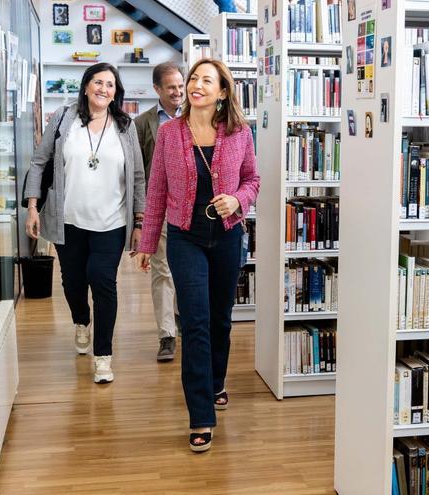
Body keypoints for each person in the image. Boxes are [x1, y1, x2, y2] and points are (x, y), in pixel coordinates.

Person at [136, 58, 259, 453]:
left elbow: (253, 180)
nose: (196, 85)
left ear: (222, 92)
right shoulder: (170, 133)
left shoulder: (240, 133)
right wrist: (147, 242)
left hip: (226, 235)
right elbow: (156, 190)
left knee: (220, 319)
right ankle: (200, 414)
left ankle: (216, 381)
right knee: (195, 322)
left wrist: (238, 199)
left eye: (207, 80)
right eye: (194, 78)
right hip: (185, 237)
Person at [24, 63, 146, 384]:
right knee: (73, 283)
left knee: (102, 280)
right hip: (69, 222)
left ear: (116, 91)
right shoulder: (64, 119)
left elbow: (136, 176)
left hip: (112, 222)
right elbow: (39, 162)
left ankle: (103, 357)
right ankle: (81, 319)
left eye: (110, 84)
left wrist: (139, 222)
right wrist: (33, 207)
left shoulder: (125, 126)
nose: (104, 89)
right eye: (98, 82)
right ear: (86, 86)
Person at [135, 62, 185, 362]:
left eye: (180, 85)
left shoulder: (199, 116)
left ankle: (181, 317)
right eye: (171, 87)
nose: (178, 92)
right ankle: (167, 335)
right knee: (162, 270)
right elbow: (139, 171)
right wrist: (141, 217)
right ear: (157, 89)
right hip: (161, 207)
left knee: (185, 270)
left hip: (192, 208)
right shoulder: (143, 123)